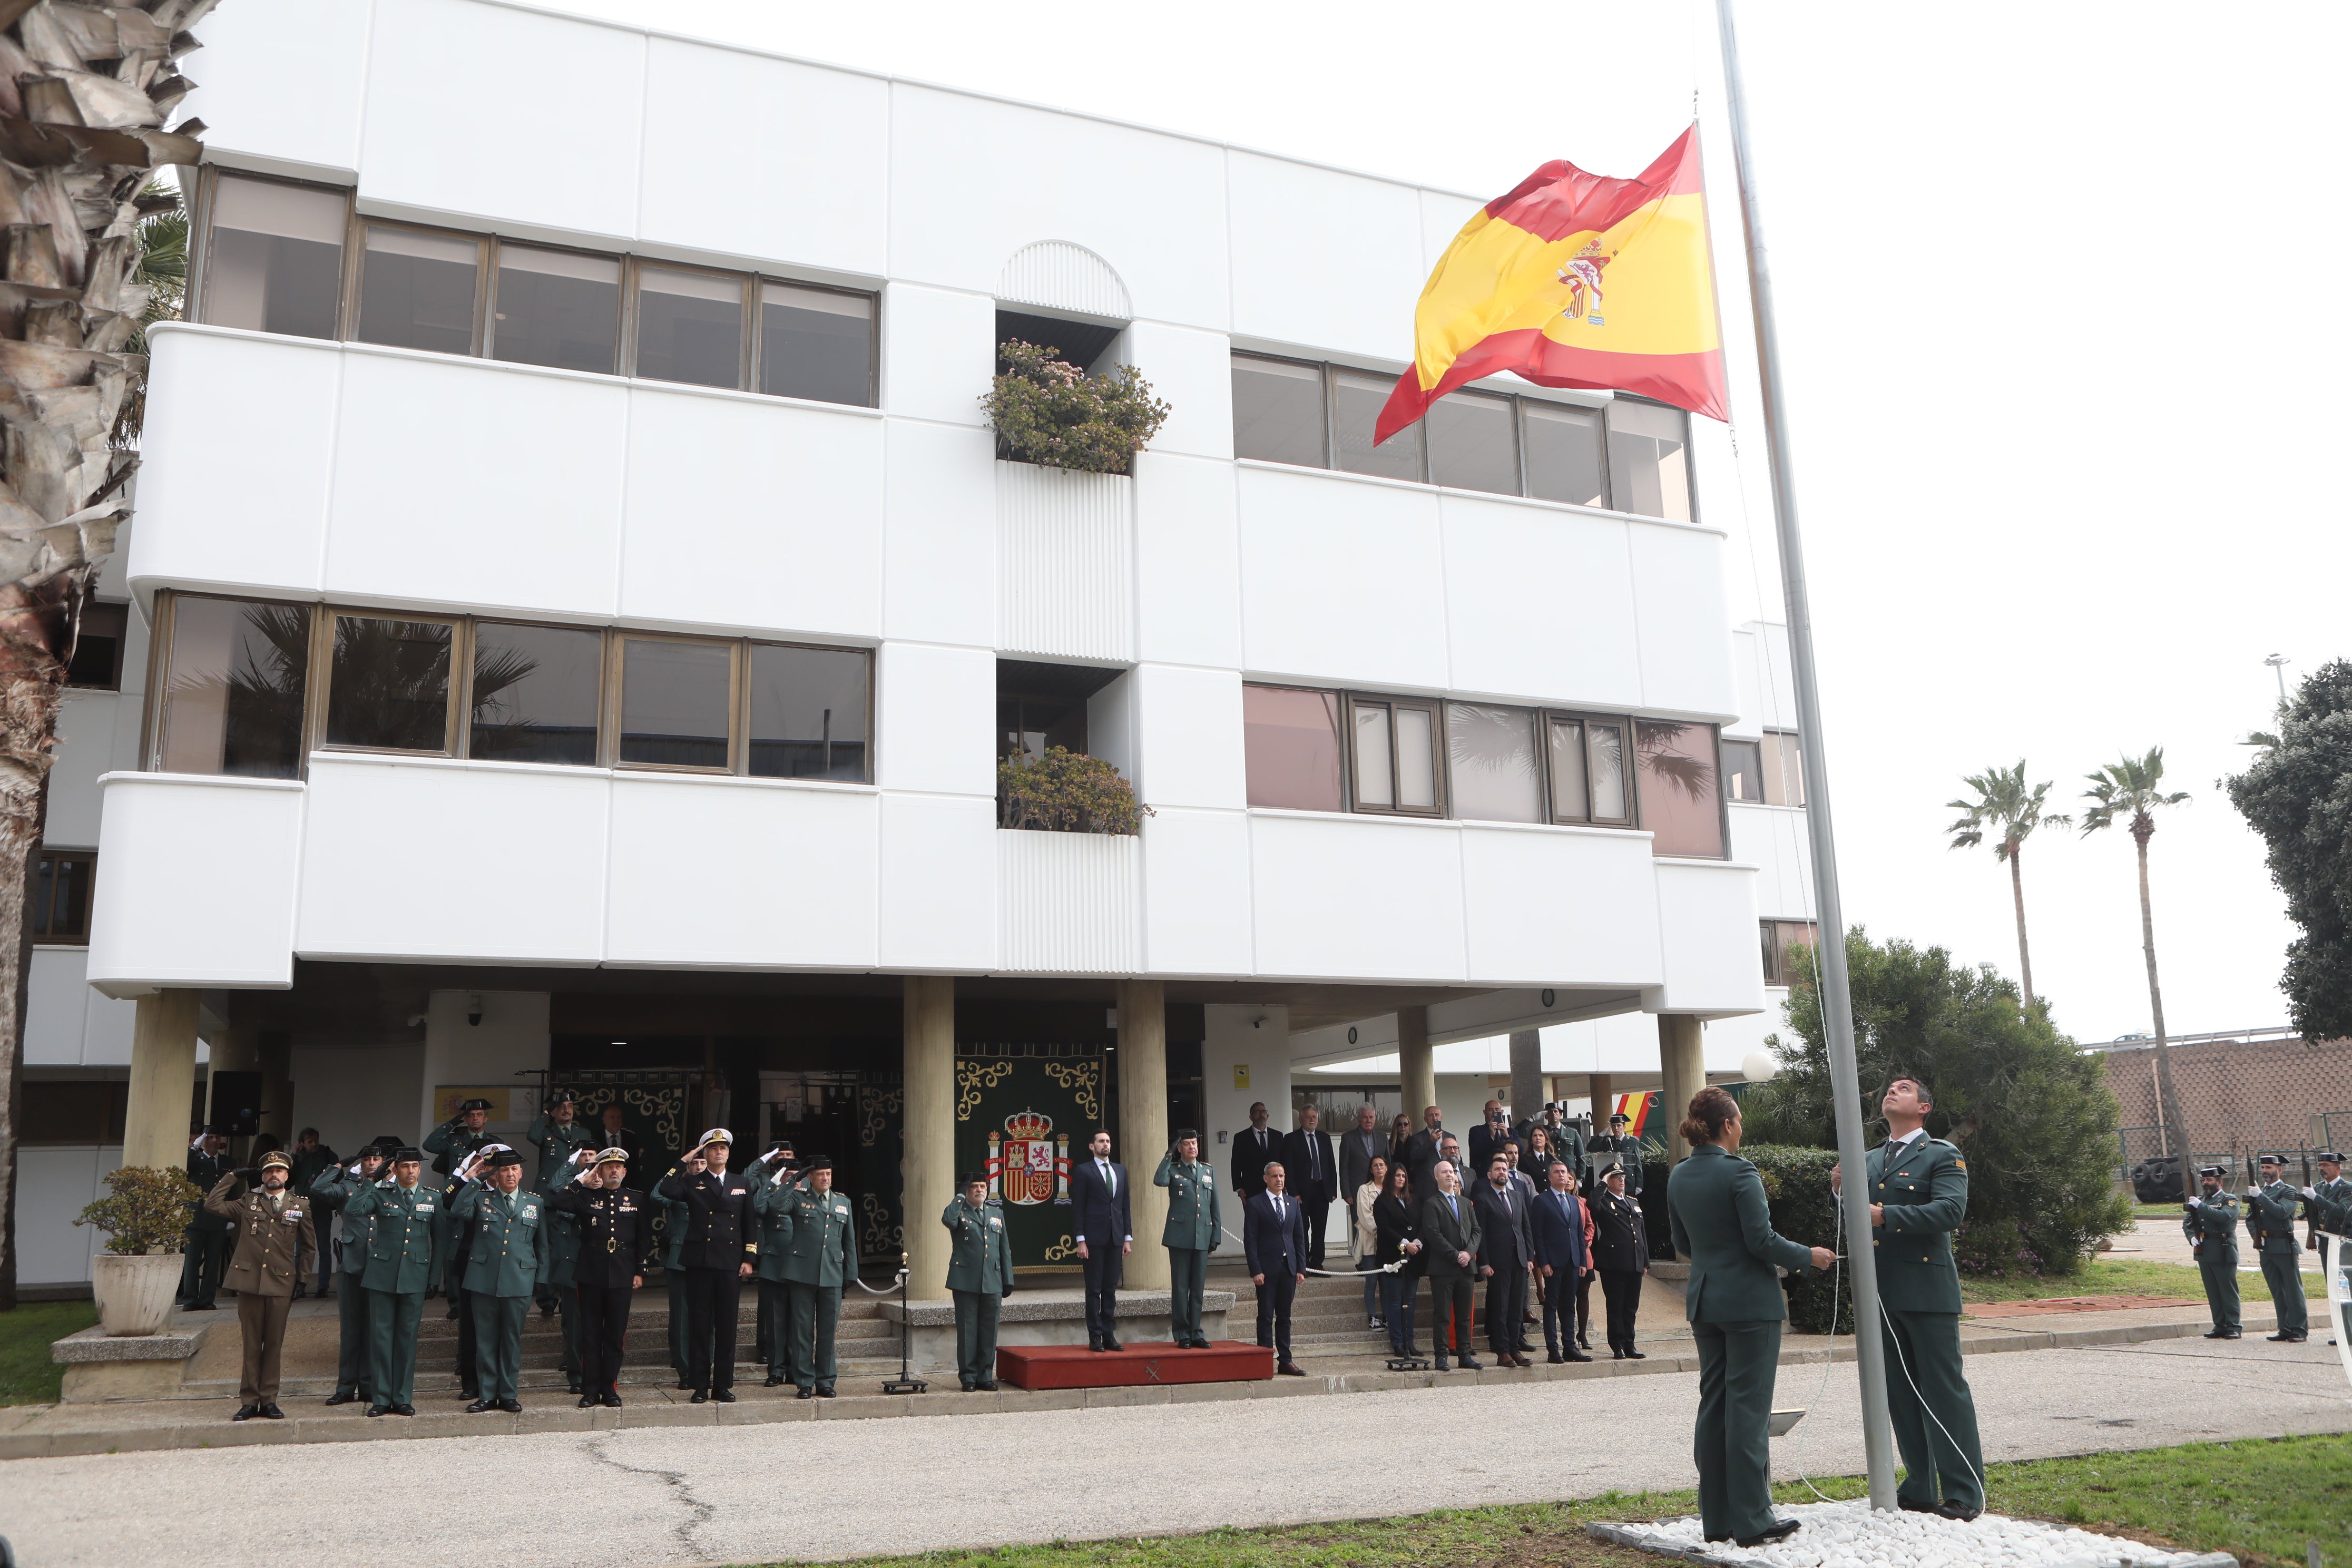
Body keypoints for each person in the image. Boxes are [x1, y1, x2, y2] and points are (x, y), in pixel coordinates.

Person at [1669, 1086, 1834, 1549]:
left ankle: (1717, 1518)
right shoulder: (1740, 1172)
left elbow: (1683, 1242)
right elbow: (1761, 1241)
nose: (1742, 1130)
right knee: (1749, 1408)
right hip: (1748, 1303)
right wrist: (1809, 1256)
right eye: (1739, 1122)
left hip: (1706, 1301)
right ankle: (1754, 1519)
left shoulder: (1679, 1175)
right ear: (1728, 1125)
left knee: (1715, 1404)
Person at [1831, 1075, 1986, 1518]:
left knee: (1944, 1391)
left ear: (1924, 1108)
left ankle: (1964, 1491)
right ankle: (1919, 1484)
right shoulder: (1870, 1158)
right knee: (1899, 1394)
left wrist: (1886, 1215)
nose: (1892, 1092)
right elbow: (1855, 1221)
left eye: (1904, 1088)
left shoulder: (1942, 1154)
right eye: (1890, 1089)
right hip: (1880, 1291)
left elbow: (1950, 1212)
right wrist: (1840, 1190)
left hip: (1926, 1289)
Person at [204, 1151, 317, 1421]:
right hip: (250, 1282)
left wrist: (303, 1279)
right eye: (268, 1172)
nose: (273, 1175)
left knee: (274, 1344)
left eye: (279, 1171)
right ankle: (249, 1401)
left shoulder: (299, 1205)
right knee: (252, 1344)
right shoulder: (248, 1202)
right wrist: (233, 1176)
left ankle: (269, 1400)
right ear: (263, 1176)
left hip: (281, 1282)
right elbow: (212, 1204)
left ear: (287, 1176)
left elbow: (310, 1247)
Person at [547, 1146, 652, 1408]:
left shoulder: (636, 1199)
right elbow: (558, 1201)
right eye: (608, 1167)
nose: (614, 1170)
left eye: (618, 1167)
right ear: (600, 1171)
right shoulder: (585, 1195)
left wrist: (640, 1270)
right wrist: (581, 1180)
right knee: (590, 1334)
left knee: (615, 1335)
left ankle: (611, 1388)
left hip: (623, 1272)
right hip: (592, 1272)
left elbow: (643, 1238)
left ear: (625, 1172)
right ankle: (590, 1390)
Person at [658, 1129, 757, 1402]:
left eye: (723, 1148)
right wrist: (684, 1160)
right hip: (700, 1260)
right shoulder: (692, 1180)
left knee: (727, 1325)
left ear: (728, 1153)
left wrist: (749, 1258)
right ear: (704, 1153)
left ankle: (723, 1385)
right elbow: (665, 1189)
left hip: (730, 1262)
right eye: (713, 1149)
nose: (719, 1152)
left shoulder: (741, 1182)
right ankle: (700, 1384)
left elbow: (749, 1222)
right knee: (700, 1324)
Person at [344, 1144, 442, 1417]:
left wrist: (434, 1278)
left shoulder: (432, 1198)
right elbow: (353, 1210)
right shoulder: (380, 1193)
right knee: (381, 1338)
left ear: (420, 1169)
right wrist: (373, 1179)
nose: (411, 1171)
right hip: (382, 1276)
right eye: (405, 1166)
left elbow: (440, 1241)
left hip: (415, 1275)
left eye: (415, 1166)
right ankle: (381, 1399)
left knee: (407, 1340)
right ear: (395, 1170)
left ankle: (402, 1398)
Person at [450, 1147, 549, 1414]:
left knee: (511, 1340)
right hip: (483, 1280)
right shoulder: (482, 1199)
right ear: (496, 1174)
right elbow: (457, 1209)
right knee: (485, 1340)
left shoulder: (534, 1203)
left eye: (514, 1169)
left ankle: (508, 1394)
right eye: (504, 1170)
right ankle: (486, 1395)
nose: (510, 1174)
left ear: (521, 1173)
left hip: (519, 1279)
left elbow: (542, 1246)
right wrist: (474, 1178)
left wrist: (541, 1280)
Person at [310, 1140, 389, 1406]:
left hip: (380, 1265)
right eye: (366, 1159)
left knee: (373, 1329)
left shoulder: (390, 1187)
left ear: (384, 1163)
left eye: (376, 1160)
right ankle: (345, 1387)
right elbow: (318, 1188)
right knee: (351, 1329)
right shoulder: (348, 1186)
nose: (371, 1163)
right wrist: (339, 1165)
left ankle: (368, 1385)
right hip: (351, 1264)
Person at [781, 1154, 859, 1398]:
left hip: (832, 1274)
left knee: (827, 1331)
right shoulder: (797, 1197)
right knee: (802, 1330)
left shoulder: (842, 1202)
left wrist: (851, 1275)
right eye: (820, 1174)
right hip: (803, 1273)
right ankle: (805, 1381)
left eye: (829, 1174)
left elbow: (849, 1241)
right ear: (811, 1177)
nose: (825, 1178)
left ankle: (825, 1380)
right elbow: (774, 1206)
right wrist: (794, 1178)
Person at [527, 1091, 598, 1317]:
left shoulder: (583, 1132)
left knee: (570, 1247)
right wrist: (546, 1111)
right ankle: (547, 1298)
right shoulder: (546, 1132)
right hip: (550, 1198)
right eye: (561, 1107)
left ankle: (568, 1293)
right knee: (547, 1250)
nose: (567, 1110)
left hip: (579, 1195)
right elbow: (532, 1135)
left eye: (569, 1105)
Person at [943, 1171, 1013, 1391]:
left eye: (983, 1186)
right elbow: (948, 1220)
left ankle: (985, 1375)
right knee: (968, 1330)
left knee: (989, 1330)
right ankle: (969, 1377)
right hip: (965, 1280)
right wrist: (959, 1197)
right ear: (967, 1189)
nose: (980, 1190)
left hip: (992, 1279)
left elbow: (1004, 1249)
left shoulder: (996, 1213)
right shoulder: (959, 1211)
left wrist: (1007, 1279)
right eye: (974, 1187)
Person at [425, 1099, 496, 1310]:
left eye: (479, 1114)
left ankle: (480, 1296)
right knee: (451, 1250)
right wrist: (455, 1121)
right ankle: (454, 1301)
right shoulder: (453, 1140)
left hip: (486, 1198)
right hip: (454, 1197)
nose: (475, 1118)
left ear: (486, 1118)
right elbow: (429, 1145)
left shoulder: (495, 1142)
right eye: (471, 1114)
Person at [1154, 1129, 1221, 1347]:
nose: (1193, 1147)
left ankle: (1196, 1332)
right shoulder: (1173, 1170)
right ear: (1180, 1148)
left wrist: (1216, 1235)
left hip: (1203, 1235)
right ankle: (1182, 1333)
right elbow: (1159, 1180)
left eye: (1194, 1143)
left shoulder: (1207, 1171)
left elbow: (1214, 1206)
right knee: (1181, 1287)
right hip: (1180, 1237)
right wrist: (1168, 1155)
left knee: (1198, 1287)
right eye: (1187, 1144)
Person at [1241, 1160, 1308, 1376]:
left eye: (1282, 1176)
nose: (1279, 1180)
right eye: (1274, 1176)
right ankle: (1264, 1359)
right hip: (1266, 1269)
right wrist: (1255, 1269)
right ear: (1266, 1179)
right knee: (1266, 1316)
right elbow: (1250, 1239)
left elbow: (1299, 1237)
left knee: (1285, 1317)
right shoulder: (1255, 1203)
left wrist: (1301, 1267)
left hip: (1288, 1267)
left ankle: (1285, 1360)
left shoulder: (1292, 1203)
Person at [1069, 1128, 1132, 1351]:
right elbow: (1078, 1208)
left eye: (1108, 1141)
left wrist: (1127, 1237)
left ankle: (1109, 1334)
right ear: (1092, 1147)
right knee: (1094, 1289)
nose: (1105, 1145)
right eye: (1101, 1141)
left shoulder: (1120, 1171)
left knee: (1110, 1288)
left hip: (1115, 1237)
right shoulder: (1084, 1171)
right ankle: (1094, 1335)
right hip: (1093, 1239)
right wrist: (1081, 1240)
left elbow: (1124, 1205)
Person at [1418, 1160, 1482, 1370]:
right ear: (1436, 1177)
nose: (1450, 1174)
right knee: (1443, 1314)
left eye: (1452, 1171)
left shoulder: (1465, 1202)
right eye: (1444, 1172)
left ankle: (1465, 1355)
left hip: (1466, 1268)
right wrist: (1456, 1255)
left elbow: (1476, 1231)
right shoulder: (1432, 1203)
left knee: (1464, 1315)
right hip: (1443, 1268)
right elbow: (1433, 1235)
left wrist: (1468, 1253)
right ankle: (1442, 1356)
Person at [1473, 1152, 1534, 1366]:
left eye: (1505, 1169)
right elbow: (1480, 1233)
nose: (1502, 1172)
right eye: (1498, 1169)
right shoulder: (1482, 1199)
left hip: (1519, 1259)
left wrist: (1529, 1256)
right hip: (1497, 1263)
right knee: (1501, 1308)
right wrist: (1484, 1262)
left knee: (1517, 1307)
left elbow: (1525, 1226)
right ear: (1490, 1174)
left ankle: (1515, 1348)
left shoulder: (1517, 1196)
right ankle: (1502, 1351)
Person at [1532, 1159, 1595, 1364]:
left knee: (1569, 1304)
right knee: (1552, 1305)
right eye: (1557, 1172)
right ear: (1550, 1177)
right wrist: (1544, 1262)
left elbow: (1578, 1232)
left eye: (1564, 1172)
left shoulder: (1574, 1202)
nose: (1562, 1175)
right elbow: (1538, 1235)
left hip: (1573, 1262)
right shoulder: (1542, 1201)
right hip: (1553, 1263)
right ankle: (1553, 1349)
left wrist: (1582, 1262)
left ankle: (1570, 1346)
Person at [749, 1141, 801, 1386]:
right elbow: (757, 1207)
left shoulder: (806, 1197)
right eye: (787, 1175)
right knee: (775, 1321)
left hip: (801, 1266)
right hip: (774, 1265)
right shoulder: (770, 1196)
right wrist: (776, 1181)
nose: (792, 1180)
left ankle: (795, 1369)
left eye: (795, 1176)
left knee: (798, 1322)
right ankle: (776, 1370)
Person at [2244, 1153, 2309, 1343]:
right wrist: (2256, 1237)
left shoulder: (2287, 1191)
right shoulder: (2258, 1191)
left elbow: (2282, 1213)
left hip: (2284, 1246)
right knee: (2277, 1290)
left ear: (2280, 1170)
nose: (2265, 1171)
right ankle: (2285, 1328)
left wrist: (2261, 1197)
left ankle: (2299, 1329)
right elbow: (2250, 1219)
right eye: (2263, 1168)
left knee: (2292, 1289)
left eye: (2269, 1168)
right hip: (2266, 1247)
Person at [648, 1149, 700, 1387]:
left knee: (705, 1316)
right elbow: (657, 1195)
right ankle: (685, 1368)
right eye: (695, 1162)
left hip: (708, 1259)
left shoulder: (718, 1187)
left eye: (703, 1162)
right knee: (681, 1316)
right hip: (680, 1259)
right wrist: (680, 1165)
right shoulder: (678, 1188)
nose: (699, 1166)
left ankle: (702, 1366)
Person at [1591, 1164, 1649, 1358]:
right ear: (1608, 1181)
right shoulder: (1604, 1201)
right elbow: (1592, 1204)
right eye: (1616, 1177)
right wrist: (1602, 1183)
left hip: (1634, 1261)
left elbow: (1641, 1233)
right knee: (1616, 1305)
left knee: (1631, 1306)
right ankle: (1617, 1345)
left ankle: (1630, 1343)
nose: (1621, 1180)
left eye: (1622, 1176)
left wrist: (1645, 1261)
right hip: (1614, 1263)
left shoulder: (1633, 1202)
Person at [2183, 1164, 2241, 1340]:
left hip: (2223, 1249)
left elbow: (2224, 1217)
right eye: (2204, 1180)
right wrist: (2192, 1236)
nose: (2206, 1183)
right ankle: (2220, 1325)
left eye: (2209, 1180)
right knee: (2213, 1291)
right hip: (2205, 1250)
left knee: (2227, 1290)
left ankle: (2234, 1326)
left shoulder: (2229, 1200)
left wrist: (2200, 1206)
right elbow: (2188, 1222)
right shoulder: (2201, 1200)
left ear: (2219, 1182)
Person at [1371, 1162, 1424, 1356]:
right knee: (1394, 1303)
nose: (1401, 1179)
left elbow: (1421, 1224)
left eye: (1404, 1176)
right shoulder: (1382, 1202)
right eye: (1397, 1176)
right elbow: (1385, 1229)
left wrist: (1417, 1242)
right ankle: (1398, 1343)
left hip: (1413, 1259)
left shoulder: (1413, 1200)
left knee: (1409, 1302)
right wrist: (1405, 1244)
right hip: (1392, 1258)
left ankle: (1410, 1342)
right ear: (1390, 1177)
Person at [180, 1128, 233, 1311]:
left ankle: (207, 1299)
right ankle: (190, 1300)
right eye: (210, 1137)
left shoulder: (227, 1162)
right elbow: (183, 1168)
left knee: (212, 1262)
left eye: (217, 1137)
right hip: (195, 1218)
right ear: (203, 1141)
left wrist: (230, 1214)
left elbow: (232, 1191)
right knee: (192, 1261)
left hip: (218, 1218)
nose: (214, 1141)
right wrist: (193, 1148)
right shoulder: (195, 1160)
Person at [1282, 1104, 1338, 1270]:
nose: (1312, 1119)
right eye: (1308, 1116)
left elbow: (1331, 1165)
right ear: (1300, 1119)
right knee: (1301, 1229)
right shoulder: (1291, 1139)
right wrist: (1293, 1192)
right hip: (1301, 1193)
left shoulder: (1324, 1138)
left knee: (1320, 1229)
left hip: (1322, 1191)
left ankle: (1317, 1263)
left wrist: (1333, 1190)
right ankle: (1304, 1264)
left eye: (1314, 1116)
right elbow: (1288, 1167)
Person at [288, 1128, 339, 1298]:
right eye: (309, 1141)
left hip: (322, 1207)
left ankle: (323, 1286)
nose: (314, 1144)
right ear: (302, 1143)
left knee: (324, 1247)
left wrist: (322, 1184)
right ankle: (299, 1285)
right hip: (301, 1208)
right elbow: (287, 1182)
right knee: (300, 1250)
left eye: (315, 1140)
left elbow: (339, 1180)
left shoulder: (328, 1155)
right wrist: (294, 1157)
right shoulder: (298, 1158)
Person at [2306, 1152, 2348, 1346]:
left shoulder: (2347, 1189)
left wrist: (2316, 1198)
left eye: (2326, 1165)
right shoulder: (2318, 1188)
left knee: (2347, 1289)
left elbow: (2340, 1211)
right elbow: (2313, 1213)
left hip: (2343, 1244)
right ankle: (2342, 1331)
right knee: (2333, 1288)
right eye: (2320, 1165)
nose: (2322, 1168)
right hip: (2325, 1242)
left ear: (2338, 1168)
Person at [1350, 1154, 1388, 1330]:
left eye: (1382, 1165)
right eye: (1375, 1165)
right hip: (1371, 1242)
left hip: (1390, 1244)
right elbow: (1365, 1216)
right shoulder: (1364, 1190)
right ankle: (1372, 1317)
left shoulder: (1392, 1188)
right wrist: (1382, 1233)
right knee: (1372, 1281)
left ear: (1387, 1168)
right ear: (1371, 1170)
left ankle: (1388, 1316)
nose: (1379, 1168)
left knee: (1388, 1283)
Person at [1338, 1104, 1387, 1208]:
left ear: (1375, 1119)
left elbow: (1389, 1164)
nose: (1368, 1120)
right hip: (1358, 1191)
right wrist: (1347, 1193)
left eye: (1371, 1117)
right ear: (1359, 1119)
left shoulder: (1382, 1136)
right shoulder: (1348, 1138)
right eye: (1365, 1117)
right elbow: (1344, 1168)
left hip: (1381, 1190)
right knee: (1359, 1223)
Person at [1231, 1102, 1280, 1200]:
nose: (1261, 1115)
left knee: (1274, 1215)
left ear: (1268, 1115)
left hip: (1274, 1187)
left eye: (1264, 1112)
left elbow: (1283, 1161)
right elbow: (1236, 1164)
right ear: (1251, 1117)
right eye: (1257, 1112)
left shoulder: (1278, 1136)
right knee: (1253, 1215)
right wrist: (1238, 1188)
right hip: (1251, 1189)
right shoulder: (1241, 1138)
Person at [1587, 1111, 1643, 1195]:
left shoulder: (1633, 1141)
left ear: (1624, 1127)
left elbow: (1638, 1164)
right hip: (1613, 1182)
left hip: (1628, 1182)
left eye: (1619, 1125)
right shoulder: (1608, 1141)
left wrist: (1639, 1185)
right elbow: (1590, 1148)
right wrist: (1602, 1135)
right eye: (1613, 1126)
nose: (1616, 1128)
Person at [594, 1101, 646, 1188]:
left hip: (627, 1188)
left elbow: (635, 1168)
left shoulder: (631, 1138)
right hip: (602, 1188)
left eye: (619, 1117)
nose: (616, 1120)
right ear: (604, 1119)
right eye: (612, 1117)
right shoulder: (595, 1138)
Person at [1402, 1106, 1447, 1198]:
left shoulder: (1450, 1137)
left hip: (1447, 1184)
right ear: (1425, 1119)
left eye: (1437, 1115)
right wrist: (1431, 1142)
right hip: (1427, 1188)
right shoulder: (1416, 1138)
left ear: (1441, 1118)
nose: (1434, 1118)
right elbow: (1415, 1157)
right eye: (1431, 1115)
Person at [1468, 1100, 1512, 1175]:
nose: (1494, 1112)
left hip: (1506, 1173)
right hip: (1484, 1174)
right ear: (1485, 1112)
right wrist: (1491, 1136)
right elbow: (1476, 1152)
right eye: (1491, 1110)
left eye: (1497, 1110)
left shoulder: (1511, 1132)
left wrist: (1507, 1136)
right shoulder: (1476, 1131)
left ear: (1502, 1112)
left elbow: (1520, 1150)